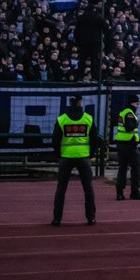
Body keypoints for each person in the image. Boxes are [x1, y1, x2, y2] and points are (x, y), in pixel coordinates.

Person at [51, 94, 101, 226]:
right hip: (83, 157)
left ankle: (57, 219)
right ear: (80, 102)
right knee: (88, 187)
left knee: (61, 188)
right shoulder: (88, 118)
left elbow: (55, 140)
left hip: (66, 157)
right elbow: (94, 139)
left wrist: (59, 155)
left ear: (70, 102)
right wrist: (91, 154)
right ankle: (91, 217)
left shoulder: (62, 119)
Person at [114, 94, 140, 201]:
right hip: (129, 144)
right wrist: (136, 123)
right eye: (137, 103)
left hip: (121, 143)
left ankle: (119, 193)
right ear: (132, 103)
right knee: (136, 167)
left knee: (122, 168)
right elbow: (129, 127)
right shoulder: (129, 113)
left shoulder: (123, 112)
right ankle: (134, 191)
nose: (138, 105)